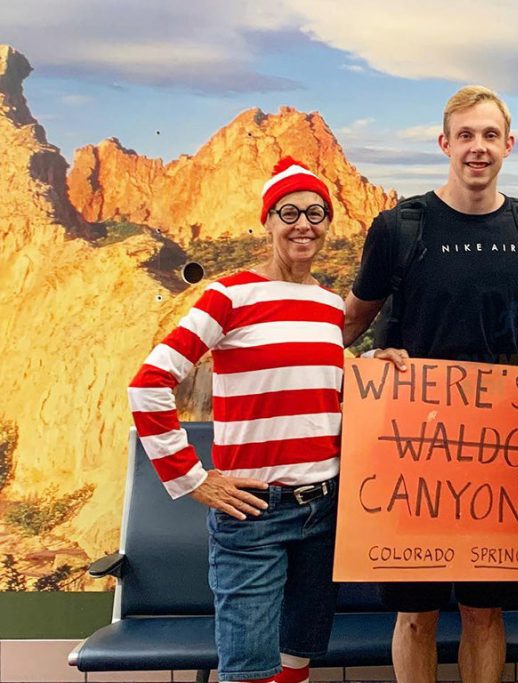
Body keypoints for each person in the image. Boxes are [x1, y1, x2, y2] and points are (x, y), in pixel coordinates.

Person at [343, 85, 518, 683]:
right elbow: (351, 324)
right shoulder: (399, 227)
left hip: (497, 458)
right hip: (408, 452)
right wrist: (348, 364)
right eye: (466, 135)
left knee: (484, 611)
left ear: (509, 145)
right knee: (415, 615)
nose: (478, 147)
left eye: (490, 135)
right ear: (444, 143)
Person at [128, 157, 345, 683]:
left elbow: (319, 391)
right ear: (268, 220)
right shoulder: (228, 296)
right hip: (253, 513)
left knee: (297, 657)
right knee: (248, 669)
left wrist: (377, 369)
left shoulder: (330, 305)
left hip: (326, 508)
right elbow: (149, 384)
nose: (304, 224)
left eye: (316, 212)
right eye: (289, 211)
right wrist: (194, 479)